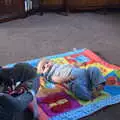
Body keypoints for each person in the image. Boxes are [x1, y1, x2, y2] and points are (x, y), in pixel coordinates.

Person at [37, 58, 106, 101]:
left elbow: (72, 65)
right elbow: (57, 79)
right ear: (43, 73)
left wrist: (79, 64)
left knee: (93, 69)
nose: (46, 65)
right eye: (43, 67)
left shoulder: (61, 65)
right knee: (75, 86)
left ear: (51, 61)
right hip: (76, 81)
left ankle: (99, 84)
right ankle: (90, 95)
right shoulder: (51, 75)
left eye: (47, 62)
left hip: (86, 74)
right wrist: (66, 79)